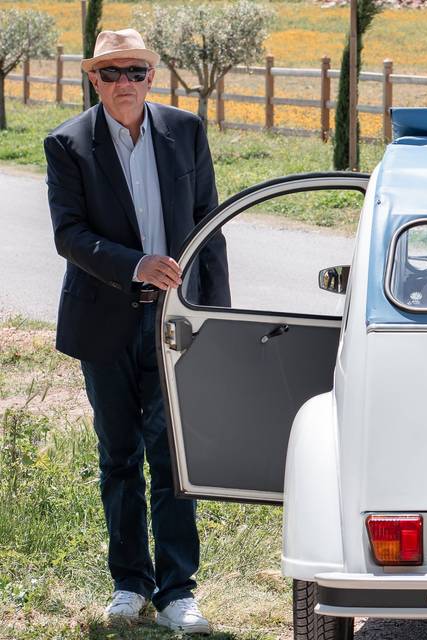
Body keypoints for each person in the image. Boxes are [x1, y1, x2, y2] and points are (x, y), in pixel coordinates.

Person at [44, 29, 229, 634]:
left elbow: (211, 226)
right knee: (119, 456)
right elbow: (68, 234)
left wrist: (217, 320)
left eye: (136, 72)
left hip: (175, 319)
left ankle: (178, 591)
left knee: (173, 455)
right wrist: (134, 264)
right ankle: (129, 585)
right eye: (112, 73)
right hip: (104, 322)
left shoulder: (187, 131)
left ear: (152, 76)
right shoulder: (67, 143)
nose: (125, 83)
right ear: (93, 79)